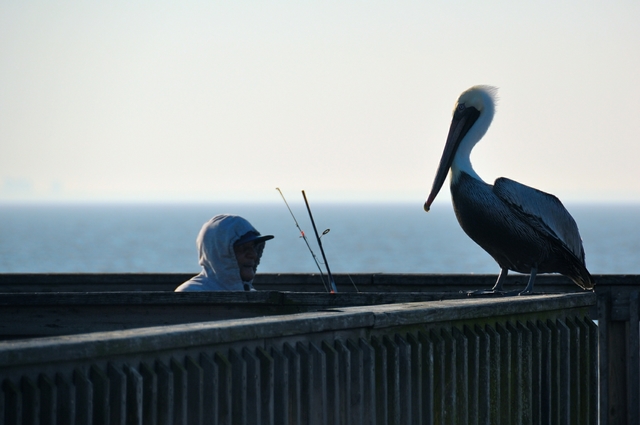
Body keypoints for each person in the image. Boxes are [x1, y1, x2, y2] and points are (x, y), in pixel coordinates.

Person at [175, 214, 274, 292]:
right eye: (242, 248)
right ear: (218, 253)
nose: (253, 255)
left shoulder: (252, 295)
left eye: (253, 247)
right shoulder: (190, 294)